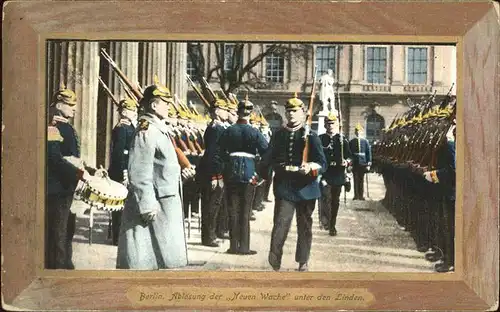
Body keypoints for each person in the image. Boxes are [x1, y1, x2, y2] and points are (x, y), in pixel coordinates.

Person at [116, 82, 194, 270]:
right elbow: (139, 171)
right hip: (153, 205)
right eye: (165, 103)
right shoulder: (147, 130)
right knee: (145, 259)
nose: (169, 106)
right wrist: (146, 205)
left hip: (164, 200)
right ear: (153, 105)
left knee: (162, 259)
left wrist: (180, 174)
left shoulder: (158, 129)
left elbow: (161, 166)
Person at [264, 93, 327, 271]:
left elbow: (323, 164)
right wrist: (264, 173)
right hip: (285, 186)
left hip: (306, 187)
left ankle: (303, 260)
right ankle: (274, 258)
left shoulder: (311, 136)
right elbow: (268, 158)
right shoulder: (279, 135)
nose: (291, 114)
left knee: (304, 226)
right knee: (281, 223)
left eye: (295, 111)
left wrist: (310, 167)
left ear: (303, 113)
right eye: (289, 111)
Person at [46, 84, 92, 269]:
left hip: (66, 188)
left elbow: (73, 157)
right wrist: (79, 174)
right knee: (57, 236)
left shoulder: (67, 127)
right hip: (56, 189)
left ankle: (65, 266)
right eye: (69, 104)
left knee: (66, 232)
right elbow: (55, 159)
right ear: (58, 105)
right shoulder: (53, 126)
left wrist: (92, 170)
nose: (74, 108)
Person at [219, 98, 269, 255]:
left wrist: (224, 170)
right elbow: (267, 155)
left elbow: (219, 153)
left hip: (231, 174)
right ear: (250, 113)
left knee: (232, 210)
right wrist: (260, 175)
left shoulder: (229, 130)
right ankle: (244, 247)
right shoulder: (255, 132)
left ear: (238, 112)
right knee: (245, 211)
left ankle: (233, 246)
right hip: (249, 174)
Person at [423, 121, 456, 273]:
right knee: (444, 226)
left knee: (450, 228)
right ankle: (445, 256)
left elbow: (453, 171)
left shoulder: (449, 146)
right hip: (446, 191)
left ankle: (451, 261)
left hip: (451, 192)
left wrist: (434, 175)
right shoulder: (444, 145)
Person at [197, 98, 228, 247]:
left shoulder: (215, 127)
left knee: (213, 205)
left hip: (211, 170)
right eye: (224, 109)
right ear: (216, 111)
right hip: (212, 172)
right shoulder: (216, 129)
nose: (226, 112)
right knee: (211, 206)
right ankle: (209, 237)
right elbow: (213, 154)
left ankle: (211, 235)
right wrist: (216, 176)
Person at [108, 97, 138, 246]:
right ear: (124, 112)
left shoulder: (130, 127)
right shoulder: (121, 128)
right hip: (121, 172)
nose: (134, 113)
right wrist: (124, 174)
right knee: (119, 207)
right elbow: (119, 154)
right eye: (132, 110)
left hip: (129, 169)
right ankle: (117, 238)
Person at [319, 113, 352, 236]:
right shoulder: (320, 139)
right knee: (326, 199)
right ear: (325, 125)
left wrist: (347, 161)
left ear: (337, 125)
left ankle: (332, 225)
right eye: (328, 123)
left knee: (335, 202)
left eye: (333, 123)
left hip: (338, 174)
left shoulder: (342, 140)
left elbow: (349, 156)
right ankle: (325, 220)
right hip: (325, 174)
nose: (331, 126)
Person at [349, 123, 372, 200]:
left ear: (362, 132)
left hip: (363, 163)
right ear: (355, 132)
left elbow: (368, 153)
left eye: (359, 131)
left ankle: (361, 195)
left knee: (361, 180)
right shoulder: (352, 141)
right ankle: (356, 196)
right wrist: (350, 163)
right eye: (357, 131)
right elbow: (349, 153)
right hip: (355, 162)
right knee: (355, 179)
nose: (358, 132)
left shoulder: (365, 141)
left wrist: (369, 163)